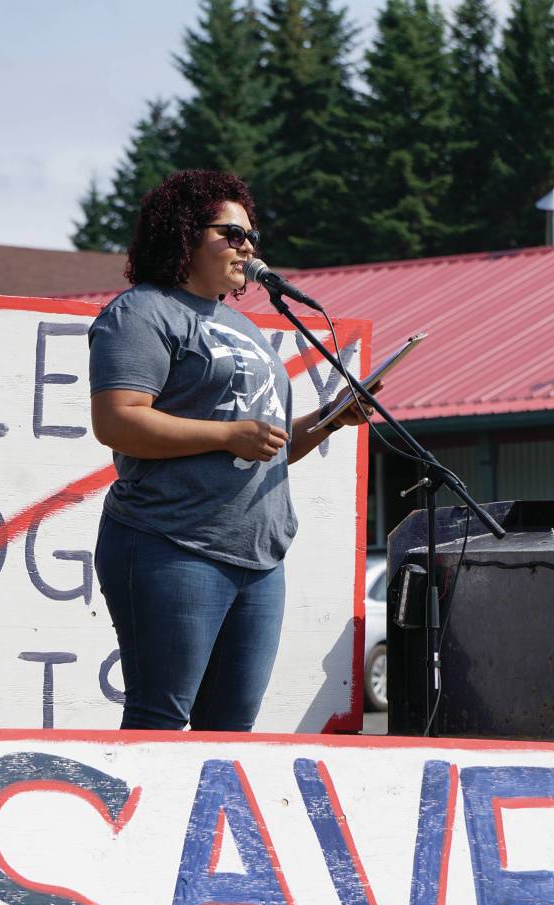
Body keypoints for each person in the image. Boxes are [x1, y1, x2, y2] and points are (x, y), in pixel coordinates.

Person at [89, 168, 372, 731]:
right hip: (172, 543)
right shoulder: (141, 312)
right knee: (160, 720)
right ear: (184, 232)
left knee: (231, 732)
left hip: (258, 558)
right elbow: (118, 422)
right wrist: (227, 434)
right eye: (232, 233)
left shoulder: (242, 325)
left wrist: (330, 421)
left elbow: (263, 445)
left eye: (252, 237)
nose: (247, 247)